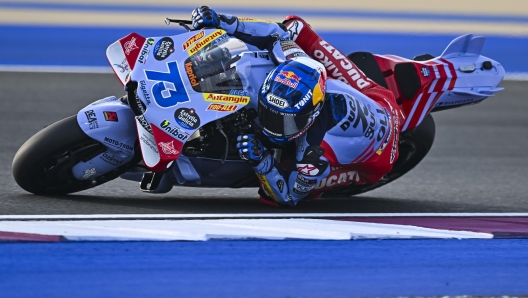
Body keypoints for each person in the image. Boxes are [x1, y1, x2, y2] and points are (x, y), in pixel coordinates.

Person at [191, 6, 403, 206]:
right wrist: (223, 22)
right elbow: (276, 34)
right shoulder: (295, 60)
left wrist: (262, 161)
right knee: (295, 27)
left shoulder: (313, 151)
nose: (272, 126)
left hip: (380, 153)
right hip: (365, 95)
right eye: (269, 114)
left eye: (287, 122)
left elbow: (289, 196)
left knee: (278, 193)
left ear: (310, 117)